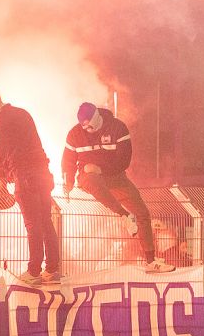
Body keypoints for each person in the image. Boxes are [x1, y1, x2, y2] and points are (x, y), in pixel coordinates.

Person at [62, 102, 174, 273]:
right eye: (84, 127)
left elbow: (124, 161)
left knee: (143, 213)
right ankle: (124, 215)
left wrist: (101, 169)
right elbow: (68, 161)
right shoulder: (75, 134)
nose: (88, 130)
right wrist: (68, 181)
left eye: (91, 127)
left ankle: (151, 261)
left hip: (115, 177)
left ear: (97, 116)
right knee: (91, 178)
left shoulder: (118, 128)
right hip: (89, 178)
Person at [0, 85, 60, 285]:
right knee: (46, 221)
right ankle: (53, 270)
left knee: (32, 224)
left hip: (25, 175)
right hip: (43, 173)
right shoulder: (23, 114)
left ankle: (34, 271)